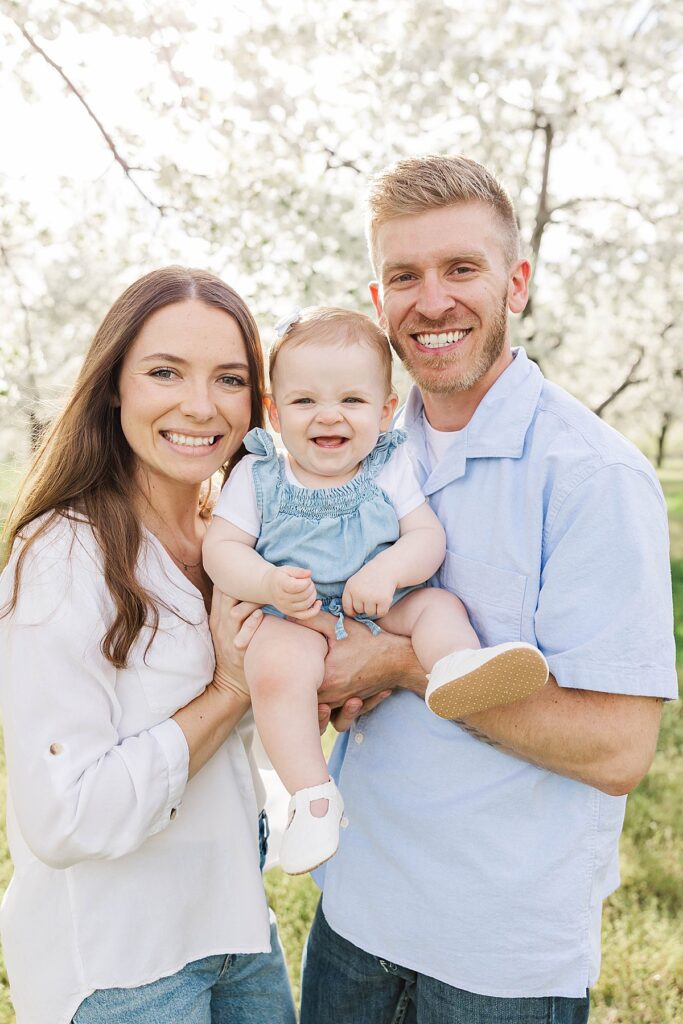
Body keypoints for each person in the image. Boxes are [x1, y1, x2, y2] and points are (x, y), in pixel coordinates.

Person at [297, 156, 678, 1023]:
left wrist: (398, 666)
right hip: (352, 918)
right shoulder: (365, 450)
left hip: (493, 963)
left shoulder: (590, 477)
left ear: (515, 282)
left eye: (460, 269)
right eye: (405, 276)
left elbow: (618, 751)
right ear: (377, 297)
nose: (431, 301)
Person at [0, 267, 296, 1024]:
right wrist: (226, 693)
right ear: (113, 387)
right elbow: (66, 817)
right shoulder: (61, 556)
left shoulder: (233, 542)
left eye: (228, 378)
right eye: (165, 371)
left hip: (238, 932)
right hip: (121, 967)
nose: (200, 405)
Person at [203, 306, 548, 875]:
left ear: (387, 411)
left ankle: (458, 668)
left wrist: (387, 572)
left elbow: (427, 539)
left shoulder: (388, 467)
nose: (327, 417)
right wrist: (267, 581)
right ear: (274, 411)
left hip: (376, 606)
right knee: (275, 669)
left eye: (352, 401)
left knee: (439, 604)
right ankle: (312, 797)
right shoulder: (260, 476)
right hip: (296, 617)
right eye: (305, 401)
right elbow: (222, 551)